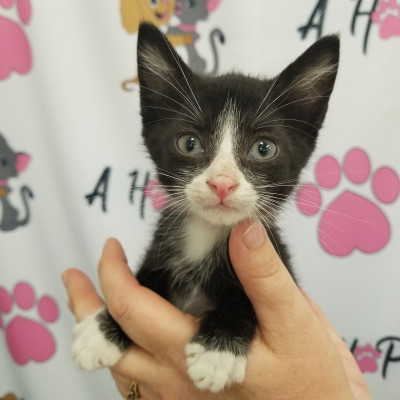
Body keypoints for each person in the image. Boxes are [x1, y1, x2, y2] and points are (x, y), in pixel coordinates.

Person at [62, 220, 373, 400]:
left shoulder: (262, 246)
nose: (222, 182)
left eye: (262, 149)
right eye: (191, 144)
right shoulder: (170, 230)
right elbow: (151, 287)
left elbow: (263, 315)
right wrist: (119, 325)